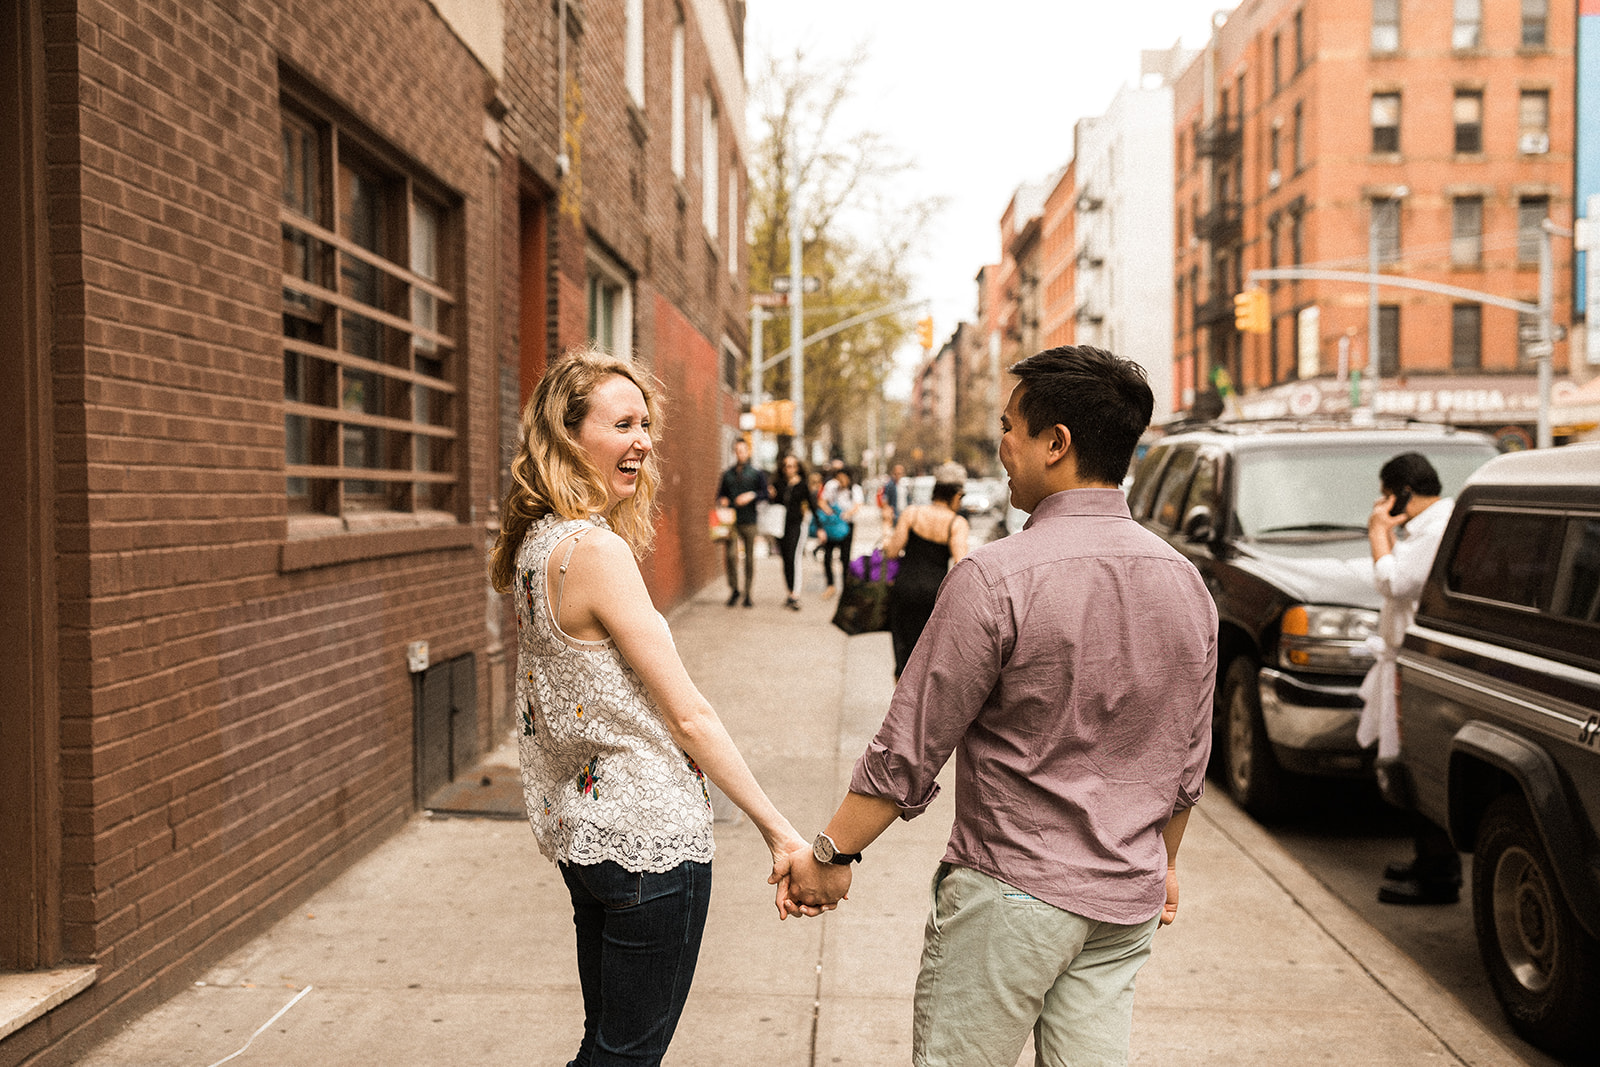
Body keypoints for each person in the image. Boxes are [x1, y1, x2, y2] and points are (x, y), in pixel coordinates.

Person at [777, 345, 1218, 1067]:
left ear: (1058, 442)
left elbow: (909, 747)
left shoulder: (997, 577)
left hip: (1011, 896)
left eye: (1009, 426)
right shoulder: (1186, 584)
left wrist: (830, 853)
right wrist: (1162, 863)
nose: (1002, 445)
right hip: (1123, 904)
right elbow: (1187, 759)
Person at [489, 347, 806, 1065]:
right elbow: (688, 715)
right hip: (650, 846)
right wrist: (780, 832)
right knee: (626, 1057)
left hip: (590, 839)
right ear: (570, 437)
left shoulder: (538, 547)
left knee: (604, 1049)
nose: (643, 440)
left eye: (646, 424)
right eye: (624, 423)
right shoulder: (595, 552)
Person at [1361, 452, 1463, 906]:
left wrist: (1377, 532)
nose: (1382, 503)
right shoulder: (1427, 527)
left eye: (1386, 493)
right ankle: (1428, 859)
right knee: (1406, 763)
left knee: (1416, 763)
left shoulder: (1435, 528)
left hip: (1418, 662)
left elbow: (1395, 582)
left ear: (1402, 491)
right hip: (1407, 660)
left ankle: (1438, 872)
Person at [883, 461, 970, 680]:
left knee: (903, 655)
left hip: (904, 590)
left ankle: (901, 703)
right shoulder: (956, 524)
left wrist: (886, 532)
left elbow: (892, 551)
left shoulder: (912, 514)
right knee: (927, 658)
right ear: (957, 495)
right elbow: (961, 564)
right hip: (934, 596)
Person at [716, 438, 768, 607]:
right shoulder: (727, 474)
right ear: (734, 452)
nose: (740, 454)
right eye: (737, 450)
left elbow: (765, 494)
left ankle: (748, 593)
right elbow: (719, 495)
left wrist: (751, 495)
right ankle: (734, 589)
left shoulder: (756, 473)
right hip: (731, 520)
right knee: (731, 556)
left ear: (748, 452)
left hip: (749, 520)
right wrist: (722, 500)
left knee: (749, 559)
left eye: (743, 450)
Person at [771, 454, 812, 611]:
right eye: (787, 466)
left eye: (793, 466)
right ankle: (789, 591)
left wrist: (820, 527)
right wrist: (772, 496)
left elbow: (812, 504)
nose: (790, 469)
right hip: (780, 526)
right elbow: (775, 505)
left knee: (794, 558)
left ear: (798, 468)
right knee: (786, 559)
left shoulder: (802, 485)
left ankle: (795, 594)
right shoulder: (778, 484)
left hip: (797, 524)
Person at [816, 467, 862, 599]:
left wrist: (846, 514)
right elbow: (822, 501)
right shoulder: (831, 486)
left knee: (845, 557)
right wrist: (829, 511)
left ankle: (845, 588)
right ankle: (830, 585)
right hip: (832, 525)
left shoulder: (855, 489)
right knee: (827, 557)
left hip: (847, 525)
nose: (841, 481)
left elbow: (858, 505)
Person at [879, 462, 906, 527]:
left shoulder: (904, 485)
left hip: (904, 513)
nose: (898, 475)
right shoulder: (890, 485)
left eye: (900, 473)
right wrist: (889, 513)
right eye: (897, 473)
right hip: (895, 514)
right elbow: (884, 499)